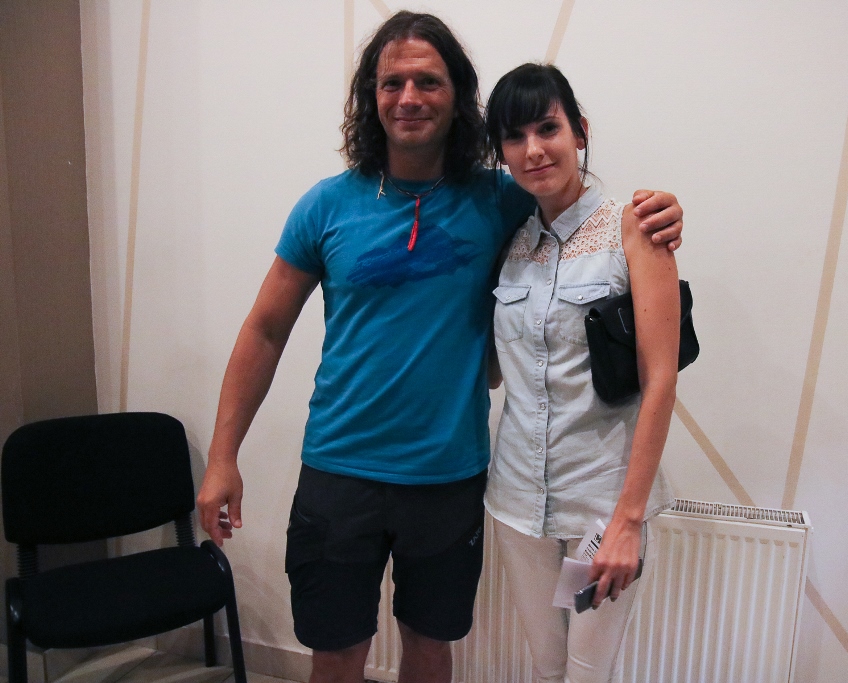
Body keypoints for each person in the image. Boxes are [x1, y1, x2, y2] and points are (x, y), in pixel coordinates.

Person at [196, 12, 683, 683]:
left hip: (451, 481)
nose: (409, 97)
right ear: (371, 97)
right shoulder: (325, 206)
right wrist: (223, 455)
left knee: (432, 650)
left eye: (428, 81)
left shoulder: (501, 199)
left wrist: (656, 210)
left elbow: (572, 202)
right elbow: (265, 330)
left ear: (458, 99)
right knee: (335, 655)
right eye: (391, 82)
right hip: (340, 472)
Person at [484, 63, 680, 683]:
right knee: (546, 667)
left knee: (587, 672)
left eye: (548, 128)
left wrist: (628, 520)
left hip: (601, 504)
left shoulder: (635, 228)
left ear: (580, 131)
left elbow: (661, 378)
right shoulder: (509, 245)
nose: (534, 150)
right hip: (518, 502)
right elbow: (494, 371)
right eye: (515, 137)